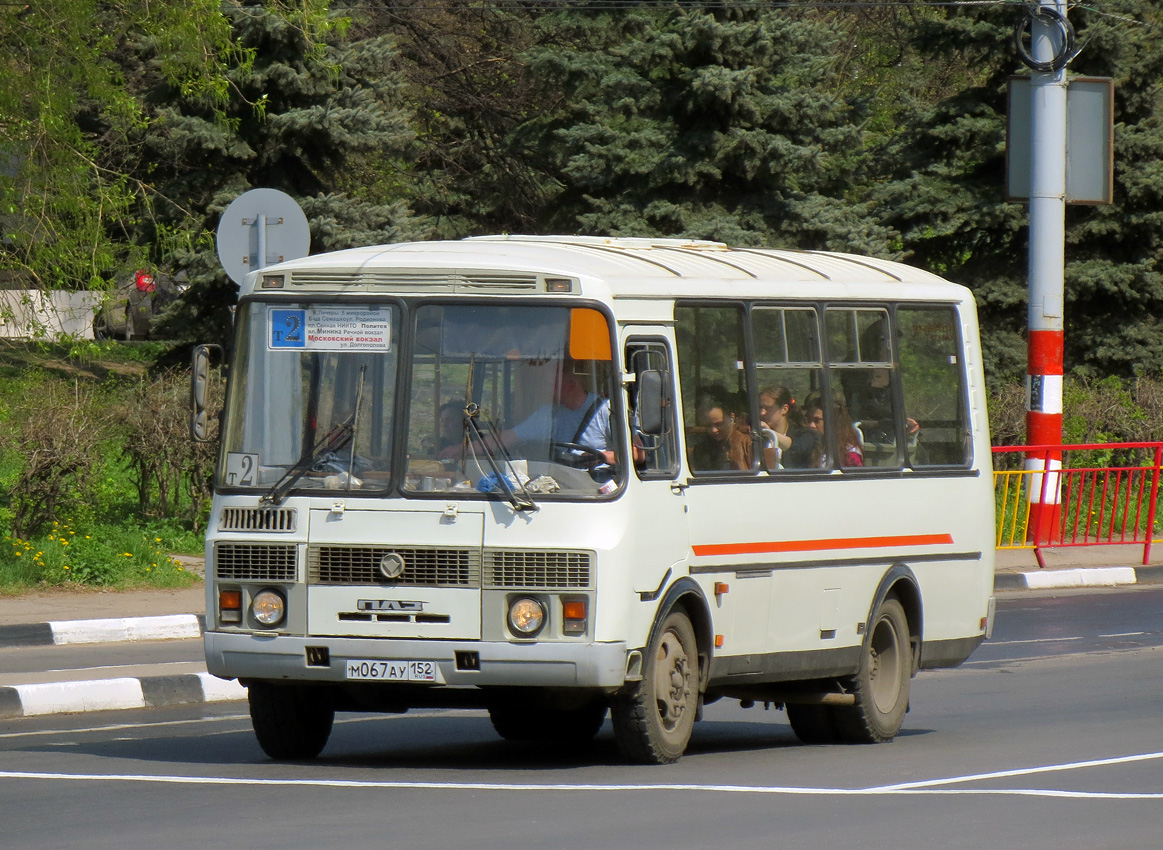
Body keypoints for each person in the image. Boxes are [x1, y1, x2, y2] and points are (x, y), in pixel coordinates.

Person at [439, 361, 615, 472]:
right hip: (565, 483)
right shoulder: (550, 414)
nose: (544, 392)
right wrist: (462, 450)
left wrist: (600, 456)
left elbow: (637, 454)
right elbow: (505, 439)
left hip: (597, 489)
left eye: (550, 386)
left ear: (570, 386)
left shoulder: (606, 410)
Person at [758, 385, 797, 468]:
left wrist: (770, 433)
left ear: (784, 409)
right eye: (761, 407)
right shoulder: (758, 437)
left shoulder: (804, 434)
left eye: (768, 408)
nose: (762, 413)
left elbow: (793, 446)